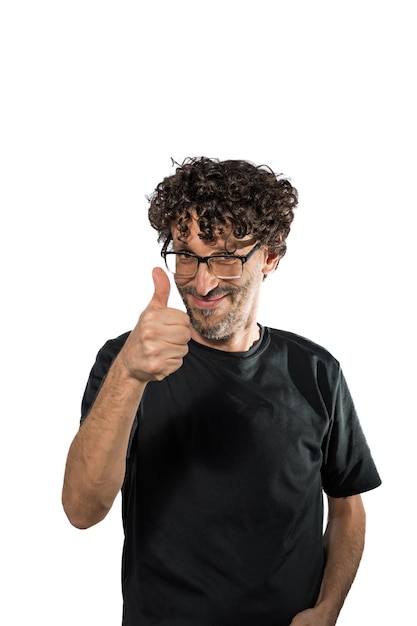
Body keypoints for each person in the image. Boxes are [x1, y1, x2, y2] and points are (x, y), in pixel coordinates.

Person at [62, 157, 381, 626]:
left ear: (270, 257)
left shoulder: (316, 371)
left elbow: (347, 506)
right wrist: (130, 375)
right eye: (187, 255)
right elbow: (82, 510)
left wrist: (328, 608)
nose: (202, 281)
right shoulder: (126, 362)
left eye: (226, 257)